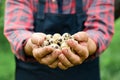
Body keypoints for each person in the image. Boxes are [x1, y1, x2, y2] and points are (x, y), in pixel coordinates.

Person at [4, 0, 114, 80]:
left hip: (83, 73)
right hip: (32, 73)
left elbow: (100, 28)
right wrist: (31, 44)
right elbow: (17, 30)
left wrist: (88, 44)